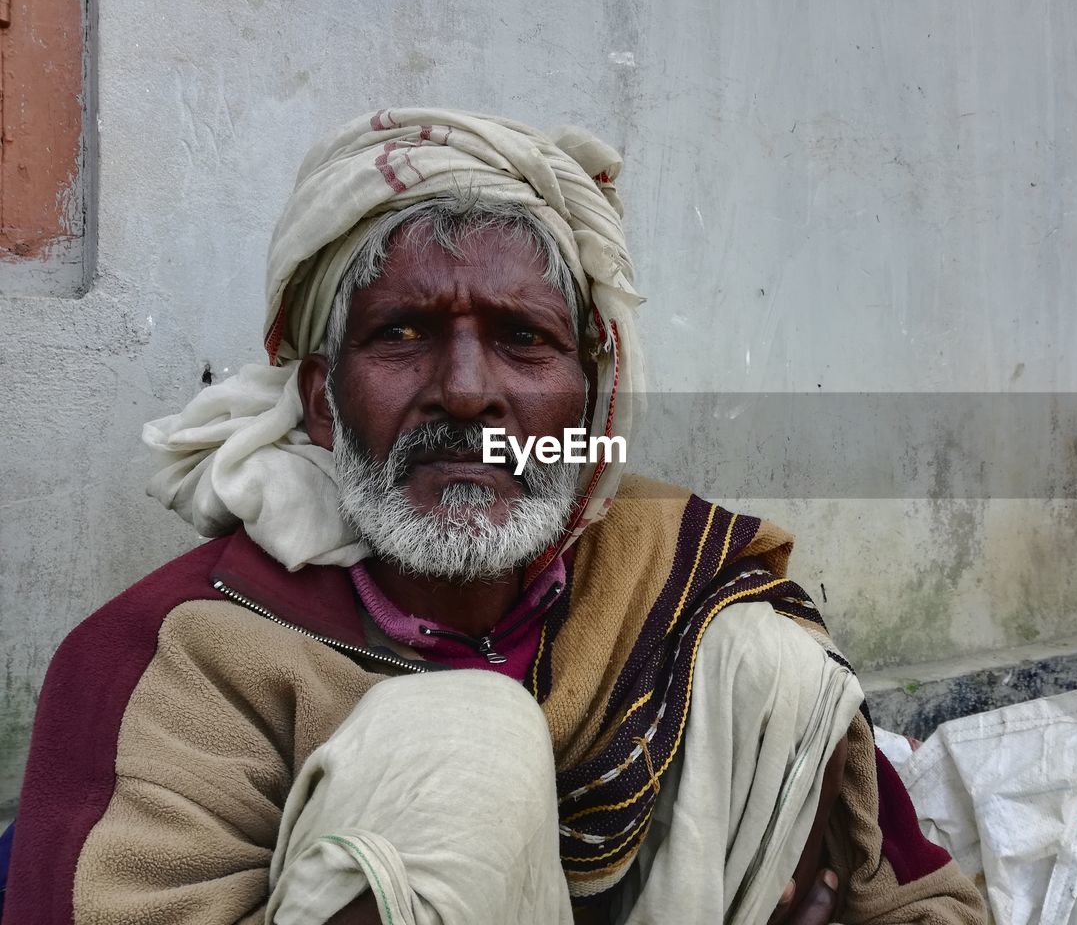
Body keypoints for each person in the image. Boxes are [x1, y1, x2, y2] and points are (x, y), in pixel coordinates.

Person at [1, 109, 985, 925]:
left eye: (522, 340)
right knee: (462, 747)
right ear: (319, 399)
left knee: (766, 664)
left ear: (589, 404)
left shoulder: (680, 585)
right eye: (402, 335)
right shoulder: (175, 656)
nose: (466, 392)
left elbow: (907, 894)